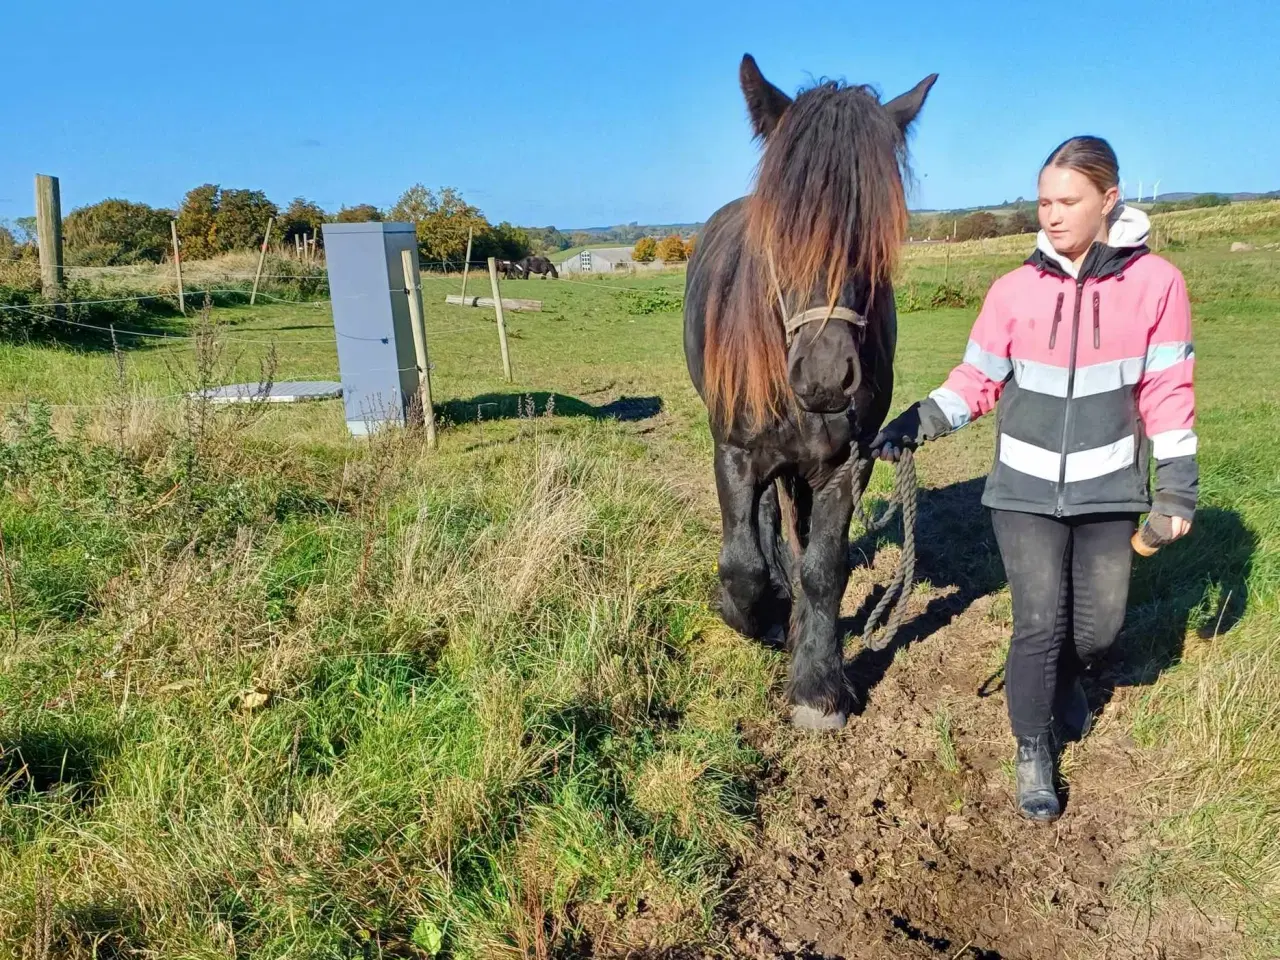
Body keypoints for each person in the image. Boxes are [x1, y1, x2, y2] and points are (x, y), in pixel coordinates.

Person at [871, 136, 1197, 822]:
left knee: (1099, 629)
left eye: (1067, 201)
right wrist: (920, 420)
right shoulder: (1013, 290)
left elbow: (1169, 387)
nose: (1050, 215)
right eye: (1043, 201)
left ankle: (1069, 681)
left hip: (1111, 488)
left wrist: (1176, 486)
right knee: (1040, 625)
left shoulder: (1158, 284)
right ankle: (1033, 749)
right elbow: (979, 377)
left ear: (1109, 200)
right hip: (1022, 491)